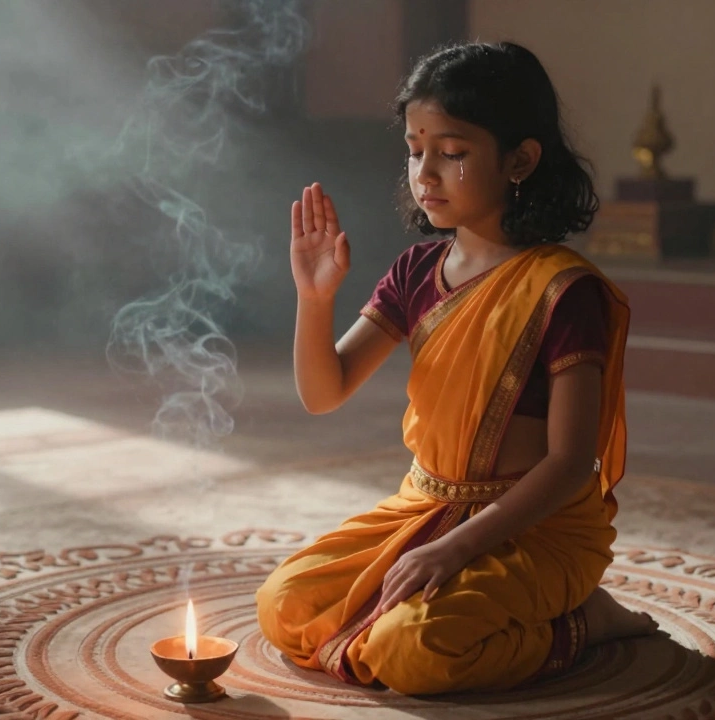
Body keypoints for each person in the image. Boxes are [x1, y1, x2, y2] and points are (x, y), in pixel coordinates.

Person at [255, 41, 658, 695]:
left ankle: (588, 620)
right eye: (415, 151)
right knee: (284, 602)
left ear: (520, 160)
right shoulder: (417, 271)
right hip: (426, 505)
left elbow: (569, 465)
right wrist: (314, 298)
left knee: (413, 650)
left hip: (536, 527)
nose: (426, 174)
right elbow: (323, 393)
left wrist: (456, 549)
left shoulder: (563, 289)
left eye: (452, 152)